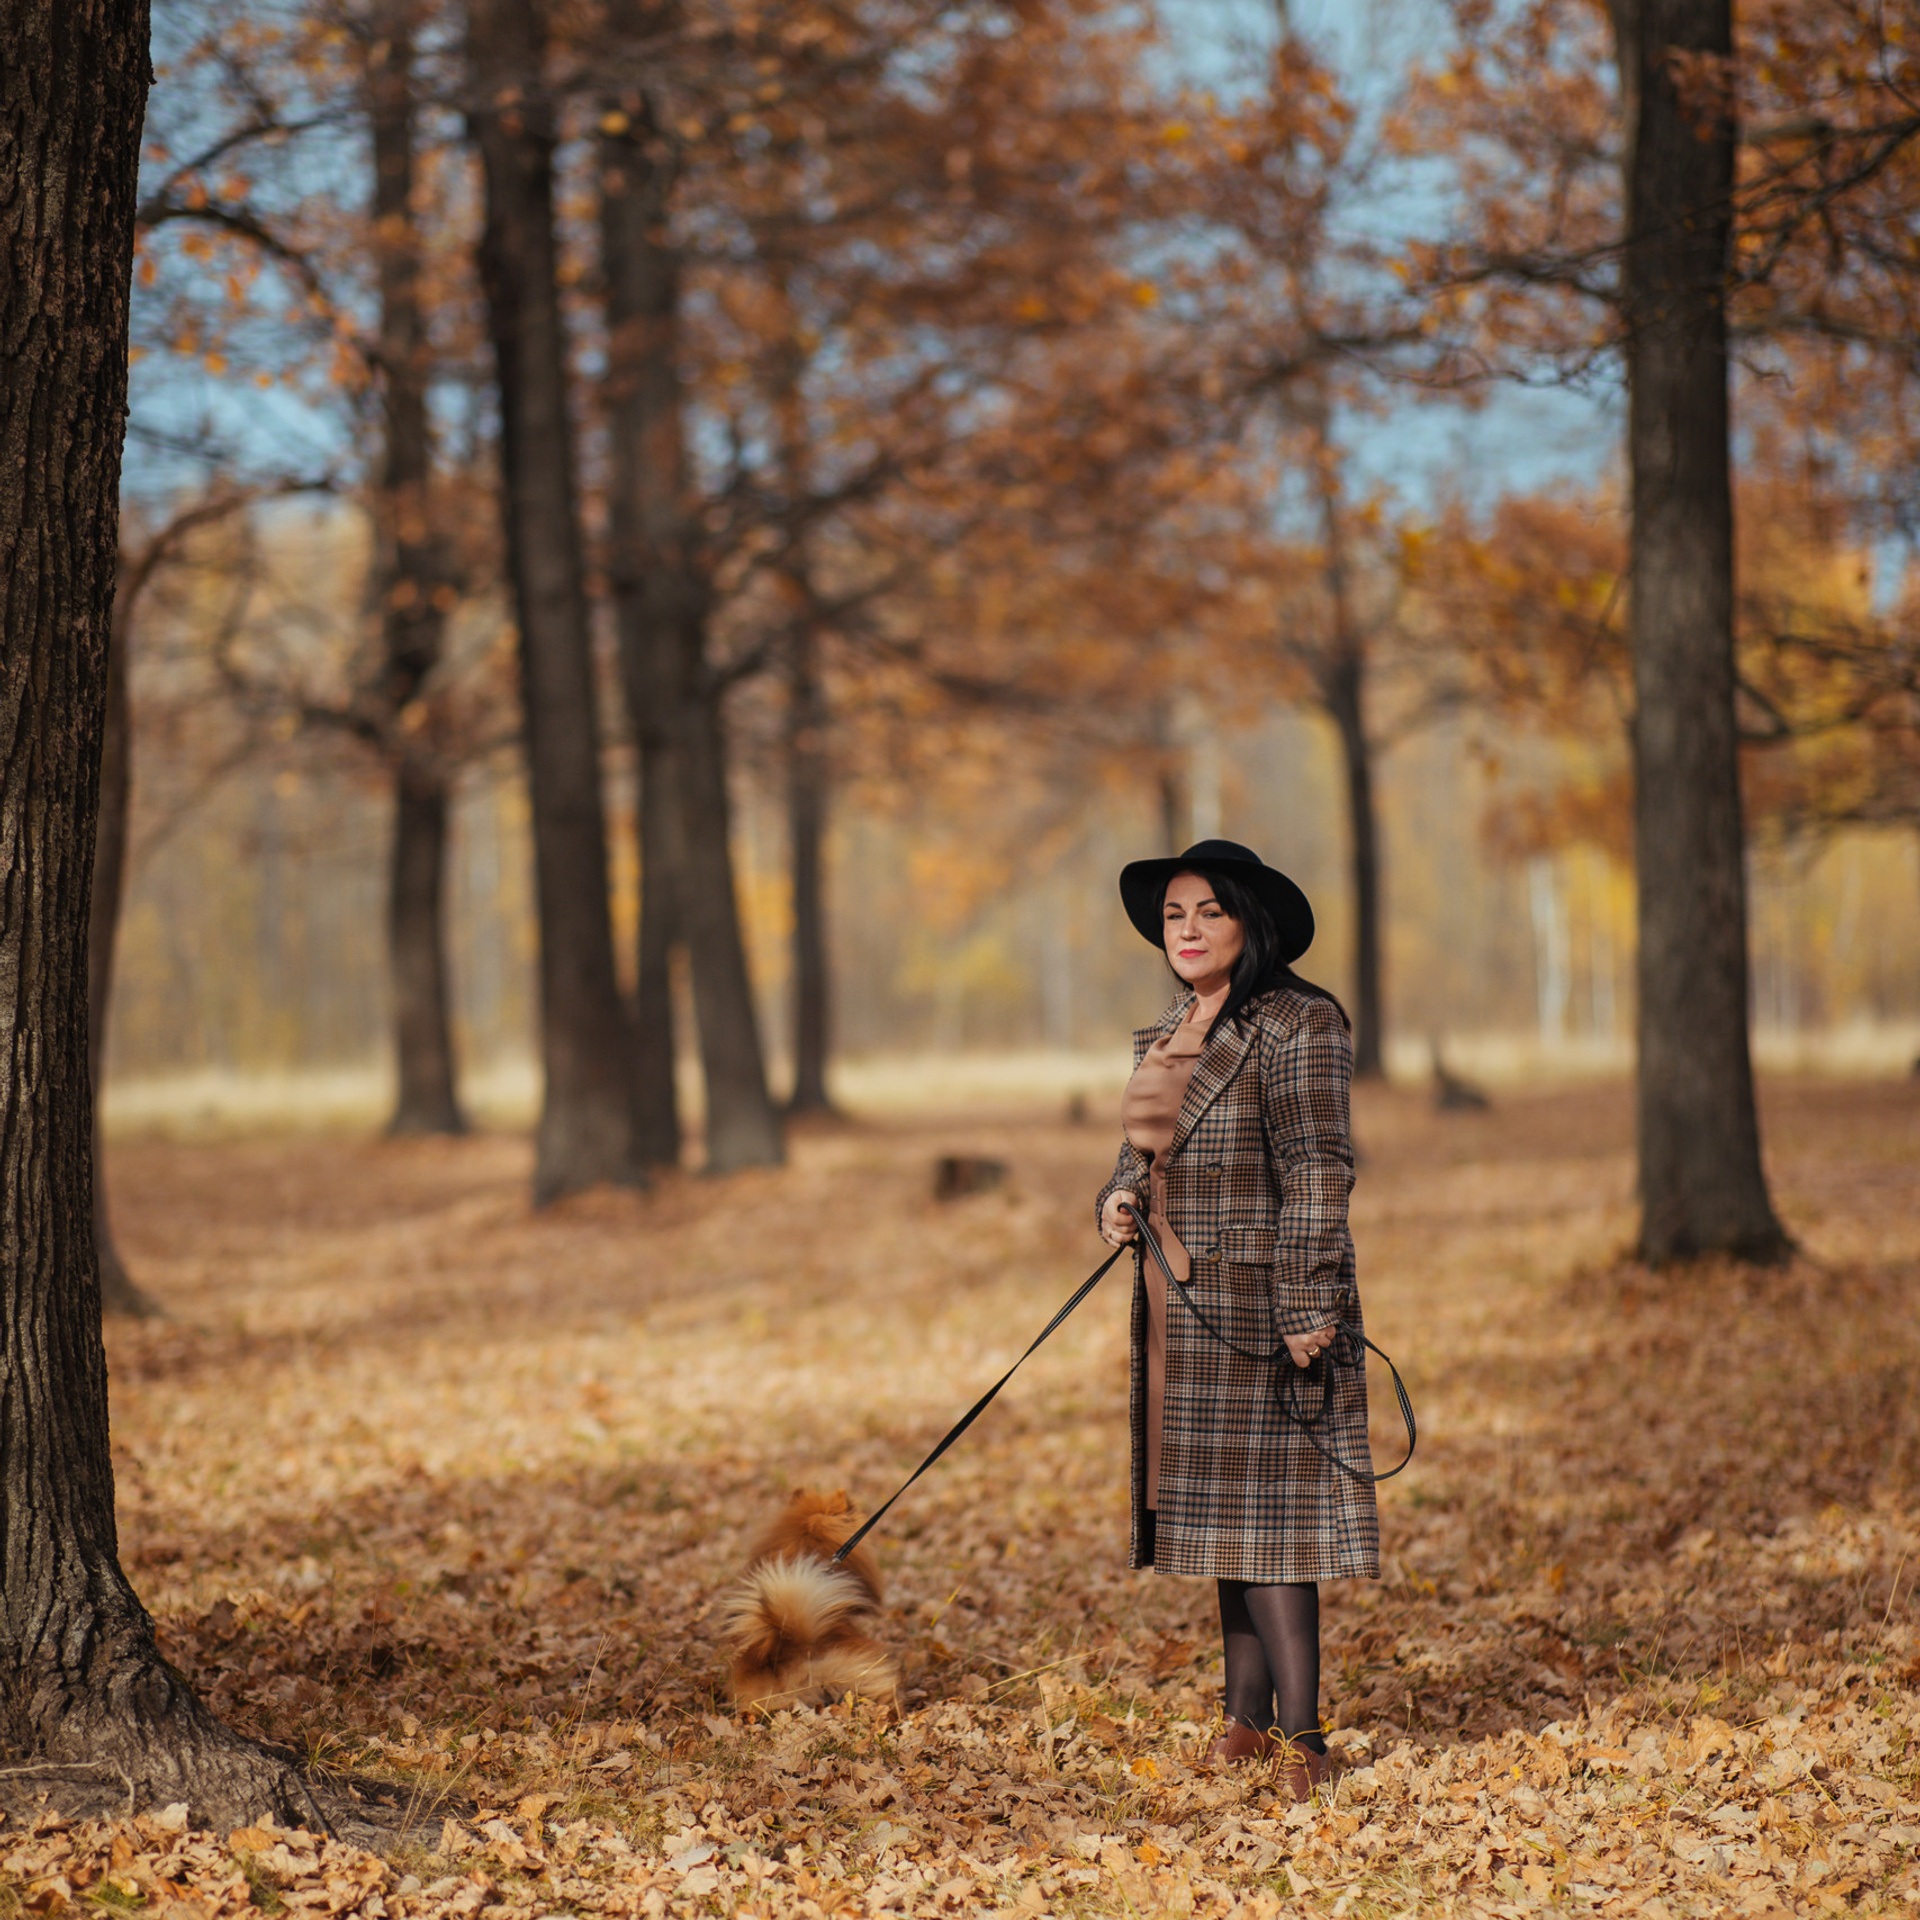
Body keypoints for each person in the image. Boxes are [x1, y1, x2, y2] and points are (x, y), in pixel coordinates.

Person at [1094, 838, 1378, 1797]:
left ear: (1249, 922)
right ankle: (1243, 1722)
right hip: (1179, 1311)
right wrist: (1117, 1198)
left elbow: (1318, 1169)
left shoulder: (1300, 1022)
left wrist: (1307, 1300)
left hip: (1265, 1307)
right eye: (1174, 914)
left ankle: (1306, 1741)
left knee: (1273, 1528)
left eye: (1208, 911)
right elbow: (1145, 1151)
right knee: (1221, 1522)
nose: (1187, 929)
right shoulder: (1174, 1027)